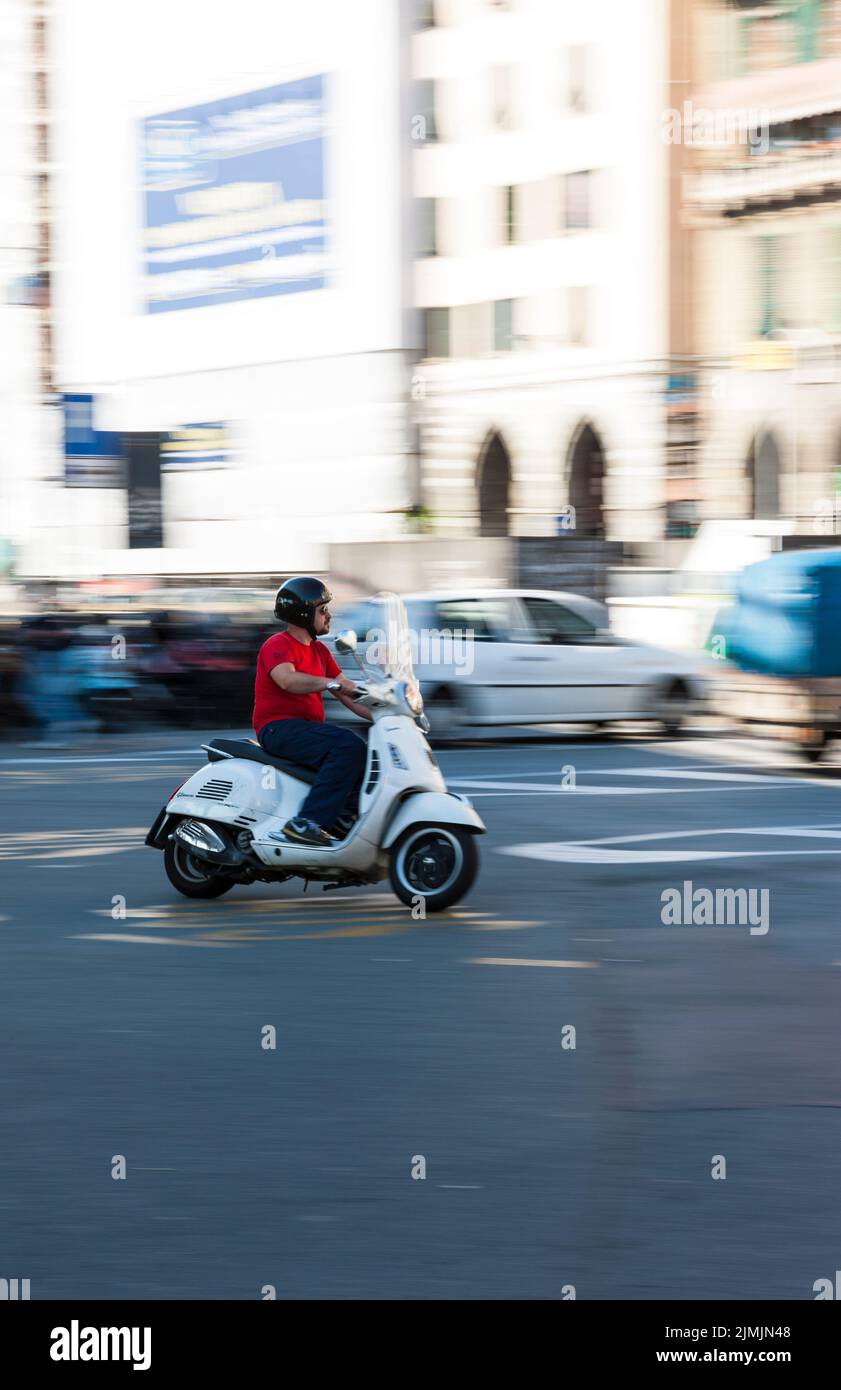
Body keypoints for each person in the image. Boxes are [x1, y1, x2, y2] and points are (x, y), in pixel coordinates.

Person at [253, 577, 372, 846]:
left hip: (305, 730)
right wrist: (331, 683)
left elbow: (348, 693)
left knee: (369, 752)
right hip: (278, 728)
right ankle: (308, 822)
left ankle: (343, 820)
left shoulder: (319, 651)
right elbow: (288, 680)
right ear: (304, 613)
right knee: (347, 745)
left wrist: (389, 714)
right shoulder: (277, 644)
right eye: (323, 609)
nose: (329, 615)